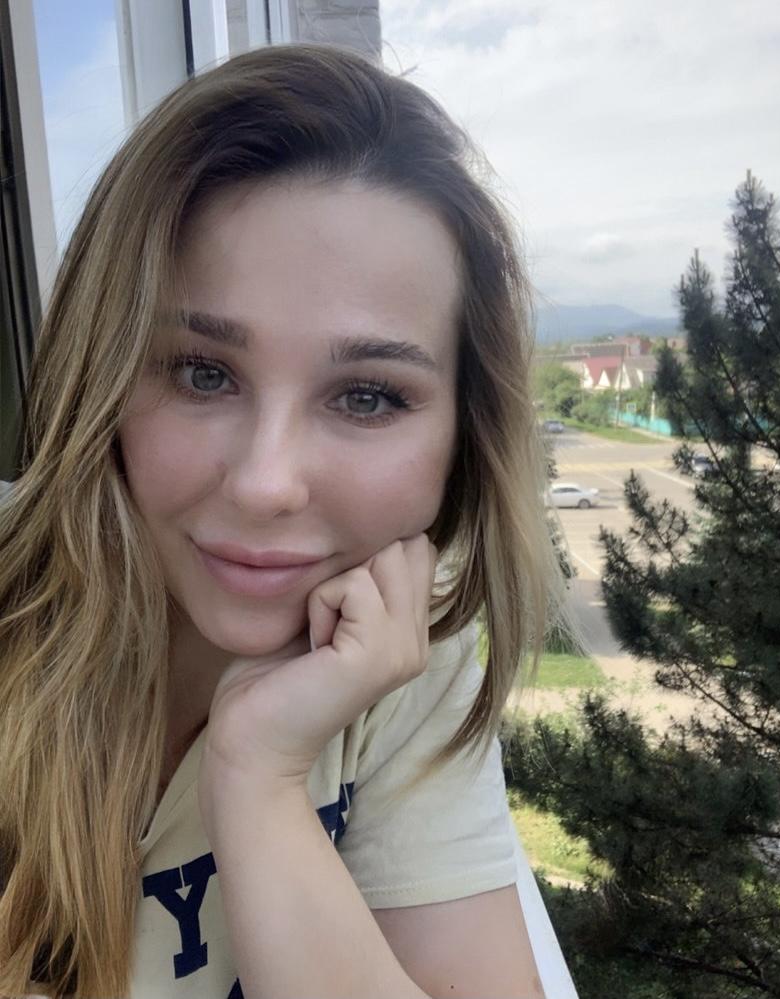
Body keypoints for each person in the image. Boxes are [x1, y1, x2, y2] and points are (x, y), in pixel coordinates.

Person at [0, 44, 571, 999]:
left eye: (367, 396)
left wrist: (258, 776)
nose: (267, 485)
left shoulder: (404, 648)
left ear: (462, 436)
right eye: (203, 373)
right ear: (103, 377)